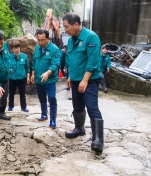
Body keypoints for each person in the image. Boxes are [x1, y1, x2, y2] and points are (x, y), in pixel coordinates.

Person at [62, 13, 104, 155]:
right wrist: (70, 76)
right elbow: (70, 59)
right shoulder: (71, 40)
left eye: (67, 27)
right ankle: (79, 128)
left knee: (91, 106)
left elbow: (93, 61)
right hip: (75, 78)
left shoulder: (91, 37)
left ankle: (98, 140)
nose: (65, 30)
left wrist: (85, 80)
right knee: (77, 106)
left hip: (90, 79)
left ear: (76, 24)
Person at [30, 29, 61, 129]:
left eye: (42, 40)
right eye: (38, 40)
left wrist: (47, 73)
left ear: (48, 38)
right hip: (39, 79)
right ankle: (44, 115)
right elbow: (34, 62)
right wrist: (33, 74)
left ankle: (53, 120)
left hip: (50, 79)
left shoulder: (54, 49)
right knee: (41, 98)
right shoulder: (37, 48)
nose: (40, 42)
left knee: (51, 98)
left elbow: (55, 64)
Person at [8, 40, 30, 112]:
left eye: (17, 48)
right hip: (12, 79)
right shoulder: (9, 57)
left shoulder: (24, 56)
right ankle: (10, 106)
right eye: (14, 48)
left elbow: (27, 68)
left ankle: (23, 107)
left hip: (21, 79)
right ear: (12, 49)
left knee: (22, 93)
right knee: (11, 93)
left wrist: (28, 76)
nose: (15, 50)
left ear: (19, 48)